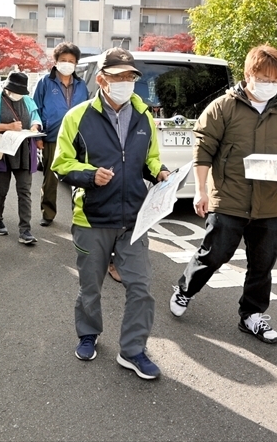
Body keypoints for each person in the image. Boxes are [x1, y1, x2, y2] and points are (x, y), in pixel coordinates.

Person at [169, 44, 277, 344]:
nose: (271, 84)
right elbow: (203, 149)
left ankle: (252, 315)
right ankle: (185, 289)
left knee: (263, 263)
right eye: (265, 77)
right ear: (249, 74)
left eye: (276, 79)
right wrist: (201, 191)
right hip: (228, 198)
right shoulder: (223, 107)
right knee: (214, 254)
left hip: (269, 202)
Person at [52, 48, 170, 380]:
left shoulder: (143, 115)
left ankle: (133, 351)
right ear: (102, 79)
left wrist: (160, 173)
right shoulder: (77, 117)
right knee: (90, 286)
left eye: (130, 77)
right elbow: (60, 164)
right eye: (118, 77)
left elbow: (151, 159)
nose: (125, 83)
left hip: (134, 217)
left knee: (142, 287)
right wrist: (90, 175)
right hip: (91, 217)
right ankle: (88, 334)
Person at [0, 72, 42, 245]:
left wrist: (35, 126)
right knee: (2, 189)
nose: (17, 93)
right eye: (15, 90)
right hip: (2, 151)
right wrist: (8, 127)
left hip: (23, 151)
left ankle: (25, 230)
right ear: (7, 87)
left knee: (25, 191)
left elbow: (35, 117)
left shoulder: (28, 100)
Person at [33, 42, 88, 228]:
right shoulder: (44, 82)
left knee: (79, 176)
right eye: (63, 60)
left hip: (77, 138)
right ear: (55, 62)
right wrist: (38, 136)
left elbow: (87, 112)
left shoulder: (81, 85)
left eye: (71, 61)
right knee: (51, 177)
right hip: (51, 136)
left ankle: (79, 212)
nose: (67, 63)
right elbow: (36, 110)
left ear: (76, 63)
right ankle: (48, 213)